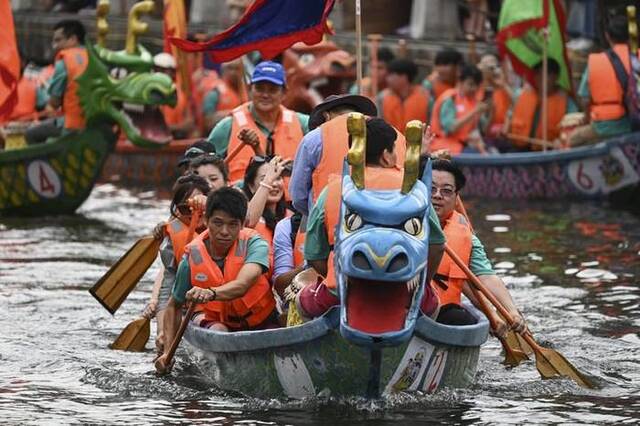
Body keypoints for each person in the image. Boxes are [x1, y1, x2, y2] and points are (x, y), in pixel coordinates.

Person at [296, 118, 445, 319]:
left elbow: (315, 256)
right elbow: (436, 246)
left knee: (300, 301)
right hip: (406, 293)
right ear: (386, 156)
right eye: (395, 150)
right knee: (432, 303)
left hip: (340, 293)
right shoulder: (414, 190)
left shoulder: (331, 191)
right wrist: (423, 282)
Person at [155, 187, 276, 373]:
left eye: (233, 224)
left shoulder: (255, 244)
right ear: (205, 220)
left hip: (262, 321)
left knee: (274, 333)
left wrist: (210, 293)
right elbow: (174, 306)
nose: (225, 232)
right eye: (218, 223)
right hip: (218, 322)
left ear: (242, 224)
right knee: (219, 330)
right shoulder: (191, 258)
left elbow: (243, 285)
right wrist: (167, 351)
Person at [427, 158, 524, 335]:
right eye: (431, 188)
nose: (437, 195)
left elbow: (485, 277)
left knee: (461, 319)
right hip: (402, 307)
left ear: (457, 198)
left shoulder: (466, 236)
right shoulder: (404, 221)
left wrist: (511, 311)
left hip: (440, 312)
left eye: (446, 191)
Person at [289, 93, 395, 216]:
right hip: (387, 218)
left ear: (326, 116)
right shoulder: (390, 134)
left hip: (329, 220)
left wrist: (315, 214)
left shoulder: (314, 138)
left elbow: (298, 195)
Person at [207, 61, 309, 185]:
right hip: (242, 202)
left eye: (272, 90)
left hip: (291, 203)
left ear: (284, 93)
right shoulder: (228, 126)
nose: (265, 95)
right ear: (250, 89)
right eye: (260, 89)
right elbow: (204, 166)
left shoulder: (303, 124)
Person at [144, 174, 210, 355]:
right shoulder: (173, 235)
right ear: (176, 210)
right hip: (189, 307)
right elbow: (168, 289)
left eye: (199, 206)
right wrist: (163, 332)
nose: (194, 213)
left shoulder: (224, 226)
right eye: (185, 208)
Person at [569, 15, 634, 147]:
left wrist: (587, 119)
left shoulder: (596, 62)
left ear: (607, 36)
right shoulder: (636, 59)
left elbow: (585, 98)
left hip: (604, 127)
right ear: (629, 36)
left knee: (572, 140)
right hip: (633, 124)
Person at [25, 20, 87, 145]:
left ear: (73, 39)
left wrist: (50, 108)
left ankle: (42, 163)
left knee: (30, 133)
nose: (54, 46)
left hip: (74, 123)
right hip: (95, 123)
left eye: (58, 40)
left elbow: (54, 103)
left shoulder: (64, 62)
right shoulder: (94, 56)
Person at [508, 59, 578, 151]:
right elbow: (509, 116)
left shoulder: (567, 103)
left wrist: (561, 140)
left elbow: (574, 128)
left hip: (549, 152)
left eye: (546, 74)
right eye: (538, 73)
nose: (540, 78)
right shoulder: (520, 94)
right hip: (518, 150)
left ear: (555, 77)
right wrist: (506, 128)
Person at [430, 65, 489, 154]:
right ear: (460, 82)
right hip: (444, 147)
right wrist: (475, 112)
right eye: (470, 84)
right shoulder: (451, 99)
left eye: (477, 85)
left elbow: (483, 129)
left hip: (464, 146)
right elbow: (450, 128)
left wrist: (491, 110)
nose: (474, 89)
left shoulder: (475, 102)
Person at [242, 155, 292, 246]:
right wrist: (268, 181)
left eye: (277, 178)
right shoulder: (242, 214)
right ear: (251, 186)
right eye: (265, 178)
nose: (274, 184)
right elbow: (248, 222)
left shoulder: (291, 216)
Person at [378, 58, 430, 133]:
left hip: (418, 142)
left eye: (391, 75)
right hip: (390, 142)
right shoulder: (382, 97)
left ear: (404, 77)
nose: (387, 79)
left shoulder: (425, 97)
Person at [154, 53, 196, 139]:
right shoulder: (147, 92)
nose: (165, 74)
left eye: (169, 70)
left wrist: (172, 128)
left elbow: (189, 123)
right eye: (159, 70)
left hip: (176, 141)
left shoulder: (181, 93)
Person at [202, 59, 247, 134]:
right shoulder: (215, 92)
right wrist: (235, 114)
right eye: (230, 68)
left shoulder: (248, 91)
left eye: (237, 68)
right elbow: (207, 122)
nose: (233, 72)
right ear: (223, 70)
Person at [476, 53, 513, 141]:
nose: (490, 70)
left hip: (504, 133)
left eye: (493, 67)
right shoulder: (475, 87)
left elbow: (517, 103)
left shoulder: (503, 86)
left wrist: (503, 84)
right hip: (483, 135)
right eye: (487, 67)